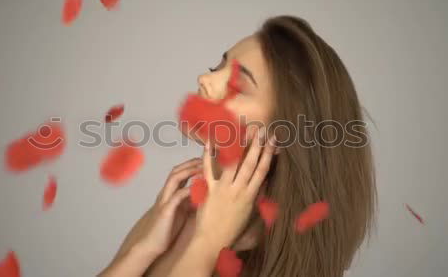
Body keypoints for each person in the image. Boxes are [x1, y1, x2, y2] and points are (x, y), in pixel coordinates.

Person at [98, 15, 376, 277]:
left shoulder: (287, 261)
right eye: (217, 67)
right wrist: (140, 251)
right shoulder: (171, 217)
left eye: (236, 85)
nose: (204, 79)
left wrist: (206, 245)